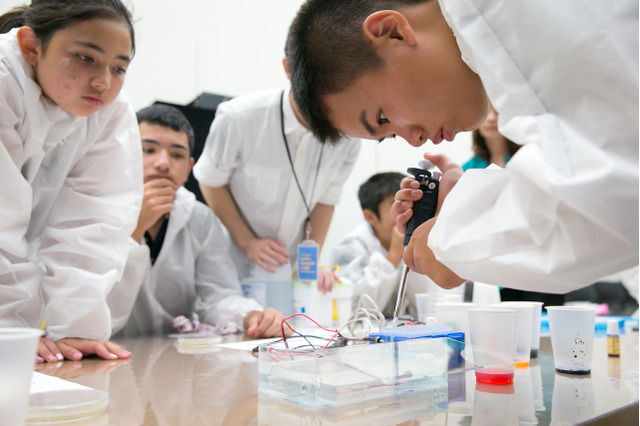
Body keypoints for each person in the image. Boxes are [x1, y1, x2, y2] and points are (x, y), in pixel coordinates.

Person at [285, 0, 638, 294]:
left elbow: (609, 201)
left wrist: (450, 243)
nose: (414, 139)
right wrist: (469, 201)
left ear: (392, 32)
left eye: (381, 117)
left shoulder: (505, 15)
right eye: (390, 134)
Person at [0, 0, 142, 363]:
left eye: (119, 67)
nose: (103, 81)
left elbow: (95, 220)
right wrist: (10, 331)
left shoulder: (108, 108)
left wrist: (76, 328)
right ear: (32, 45)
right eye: (84, 58)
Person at [108, 104, 287, 338]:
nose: (163, 163)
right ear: (126, 154)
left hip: (170, 353)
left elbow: (217, 296)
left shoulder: (198, 217)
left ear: (188, 168)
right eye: (148, 150)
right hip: (104, 350)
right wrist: (136, 227)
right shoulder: (99, 207)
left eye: (177, 155)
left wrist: (252, 316)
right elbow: (89, 297)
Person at [193, 58, 361, 296]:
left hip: (290, 275)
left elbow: (326, 199)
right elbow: (210, 182)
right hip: (232, 267)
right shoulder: (239, 118)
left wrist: (309, 265)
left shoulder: (349, 135)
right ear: (289, 68)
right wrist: (247, 242)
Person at [331, 172, 408, 316]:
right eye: (397, 207)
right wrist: (393, 255)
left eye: (409, 205)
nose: (407, 214)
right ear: (370, 217)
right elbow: (355, 311)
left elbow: (427, 305)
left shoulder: (415, 239)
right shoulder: (349, 247)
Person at [462, 104, 520, 171]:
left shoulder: (526, 159)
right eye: (485, 112)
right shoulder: (467, 169)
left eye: (498, 112)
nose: (491, 118)